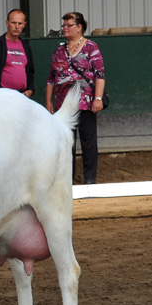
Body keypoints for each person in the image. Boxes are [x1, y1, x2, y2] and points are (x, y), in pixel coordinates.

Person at [46, 11, 106, 185]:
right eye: (63, 25)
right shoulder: (58, 51)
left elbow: (100, 74)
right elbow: (51, 78)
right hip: (64, 105)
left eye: (69, 25)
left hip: (86, 102)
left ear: (79, 27)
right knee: (66, 143)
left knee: (88, 141)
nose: (65, 28)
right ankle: (67, 179)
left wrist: (98, 98)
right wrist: (49, 101)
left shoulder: (91, 47)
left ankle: (89, 179)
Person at [0, 9, 34, 97]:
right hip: (2, 97)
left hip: (22, 96)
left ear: (24, 25)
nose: (17, 26)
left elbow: (31, 72)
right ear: (7, 23)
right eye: (13, 23)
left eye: (20, 23)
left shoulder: (26, 47)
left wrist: (31, 89)